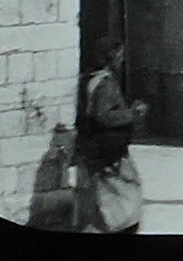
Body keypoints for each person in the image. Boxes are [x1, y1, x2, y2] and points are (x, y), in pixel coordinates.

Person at [76, 36, 148, 233]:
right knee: (127, 200)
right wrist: (132, 113)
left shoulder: (88, 79)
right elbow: (103, 116)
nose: (122, 60)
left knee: (101, 202)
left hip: (95, 151)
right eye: (119, 55)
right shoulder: (106, 83)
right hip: (110, 153)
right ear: (111, 57)